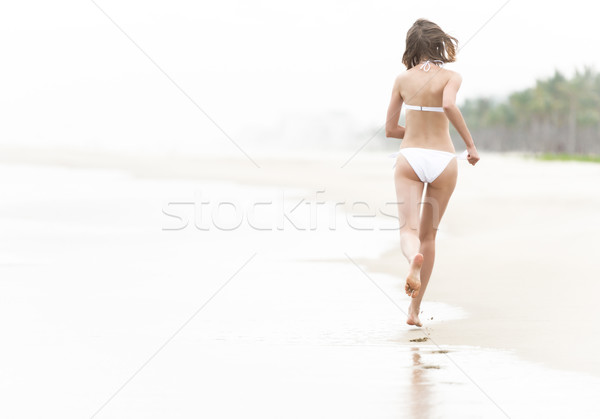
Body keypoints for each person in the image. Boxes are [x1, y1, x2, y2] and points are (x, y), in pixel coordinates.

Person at [385, 18, 480, 327]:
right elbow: (449, 106)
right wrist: (470, 145)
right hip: (443, 159)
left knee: (408, 232)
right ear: (439, 44)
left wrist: (414, 130)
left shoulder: (403, 79)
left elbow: (390, 129)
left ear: (412, 47)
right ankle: (414, 311)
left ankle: (411, 259)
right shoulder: (451, 77)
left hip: (411, 157)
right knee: (430, 237)